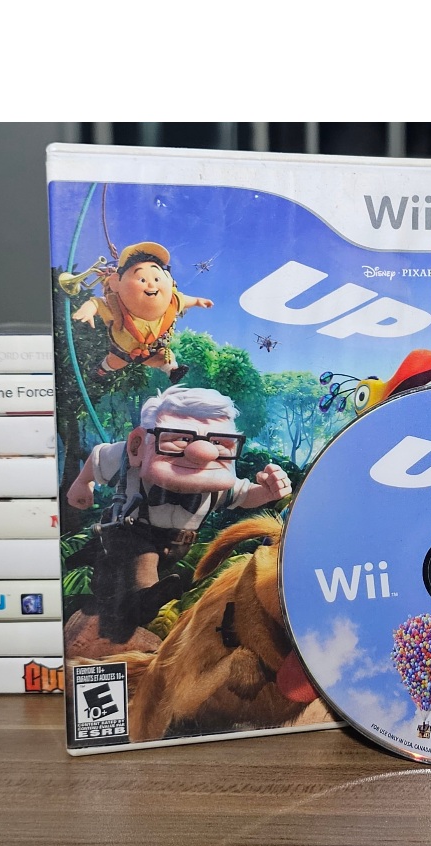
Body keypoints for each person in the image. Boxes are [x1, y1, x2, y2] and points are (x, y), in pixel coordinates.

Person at [66, 385, 291, 642]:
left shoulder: (217, 479)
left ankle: (134, 599)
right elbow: (98, 458)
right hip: (130, 531)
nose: (203, 452)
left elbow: (244, 496)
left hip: (178, 544)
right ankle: (143, 599)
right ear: (139, 443)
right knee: (141, 561)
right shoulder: (127, 457)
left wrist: (268, 492)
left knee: (119, 580)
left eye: (218, 443)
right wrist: (81, 484)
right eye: (182, 439)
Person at [70, 241, 213, 383]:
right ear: (116, 282)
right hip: (123, 350)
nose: (151, 284)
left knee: (165, 358)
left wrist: (197, 301)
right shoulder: (116, 304)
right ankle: (101, 370)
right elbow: (98, 303)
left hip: (152, 350)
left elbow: (183, 299)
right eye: (142, 279)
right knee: (114, 362)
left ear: (168, 280)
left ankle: (172, 371)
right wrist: (87, 310)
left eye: (157, 278)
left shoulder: (172, 302)